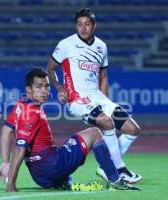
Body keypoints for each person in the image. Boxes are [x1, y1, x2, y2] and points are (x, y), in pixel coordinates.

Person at [0, 67, 139, 192]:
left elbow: (6, 130)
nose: (44, 91)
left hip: (40, 176)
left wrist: (5, 162)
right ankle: (115, 180)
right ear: (28, 89)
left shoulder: (21, 104)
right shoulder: (31, 114)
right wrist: (11, 183)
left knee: (66, 146)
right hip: (52, 167)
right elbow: (19, 147)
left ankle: (61, 181)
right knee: (95, 133)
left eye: (47, 86)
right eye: (39, 87)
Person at [46, 8, 141, 183]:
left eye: (87, 24)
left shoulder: (101, 46)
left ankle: (107, 164)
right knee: (106, 122)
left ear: (94, 26)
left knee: (133, 129)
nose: (83, 28)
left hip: (98, 97)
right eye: (79, 24)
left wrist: (105, 101)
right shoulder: (66, 44)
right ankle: (118, 169)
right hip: (77, 99)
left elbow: (103, 76)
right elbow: (50, 68)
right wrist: (59, 88)